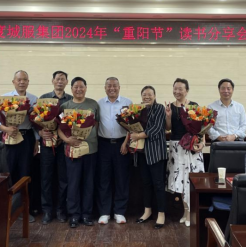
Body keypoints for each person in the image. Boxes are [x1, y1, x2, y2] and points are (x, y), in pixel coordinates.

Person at [0, 70, 38, 223]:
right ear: (13, 81)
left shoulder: (33, 99)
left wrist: (36, 141)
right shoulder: (4, 99)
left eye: (25, 79)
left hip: (26, 138)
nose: (22, 82)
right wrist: (6, 129)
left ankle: (24, 210)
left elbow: (37, 123)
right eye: (19, 79)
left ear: (28, 82)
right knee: (8, 174)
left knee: (25, 174)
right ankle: (7, 210)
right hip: (9, 138)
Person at [58, 77, 100, 228]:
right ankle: (74, 215)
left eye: (81, 87)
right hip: (72, 150)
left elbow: (96, 124)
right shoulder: (65, 106)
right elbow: (59, 128)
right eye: (76, 87)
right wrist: (67, 140)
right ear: (71, 89)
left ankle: (87, 214)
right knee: (73, 183)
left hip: (90, 149)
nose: (79, 89)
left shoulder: (93, 104)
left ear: (86, 88)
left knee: (89, 183)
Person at [165, 78, 204, 227]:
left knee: (191, 181)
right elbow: (168, 128)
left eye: (180, 89)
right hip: (177, 147)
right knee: (180, 181)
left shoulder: (194, 106)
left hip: (192, 146)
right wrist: (168, 116)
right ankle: (185, 211)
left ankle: (191, 213)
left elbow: (202, 127)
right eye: (175, 88)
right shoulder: (170, 107)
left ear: (186, 90)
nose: (177, 91)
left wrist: (201, 143)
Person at [96, 77, 132, 225]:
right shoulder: (99, 104)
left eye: (115, 85)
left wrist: (126, 143)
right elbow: (96, 125)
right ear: (105, 88)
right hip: (103, 144)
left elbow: (132, 126)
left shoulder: (127, 103)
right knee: (103, 179)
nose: (112, 88)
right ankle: (104, 212)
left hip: (121, 144)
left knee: (121, 179)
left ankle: (119, 212)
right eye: (109, 86)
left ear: (119, 87)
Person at [38, 70, 73, 224]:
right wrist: (40, 132)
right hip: (47, 144)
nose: (60, 81)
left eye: (62, 79)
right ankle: (47, 211)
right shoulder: (44, 98)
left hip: (64, 144)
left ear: (66, 82)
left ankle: (61, 210)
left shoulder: (71, 100)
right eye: (57, 79)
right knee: (46, 178)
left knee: (63, 178)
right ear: (52, 81)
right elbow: (36, 120)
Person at [133, 86, 167, 229]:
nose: (147, 97)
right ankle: (147, 211)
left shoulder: (159, 108)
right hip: (141, 152)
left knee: (158, 184)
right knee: (145, 183)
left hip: (155, 152)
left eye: (149, 94)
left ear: (155, 96)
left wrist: (138, 135)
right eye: (144, 94)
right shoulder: (138, 109)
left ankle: (161, 214)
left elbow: (157, 128)